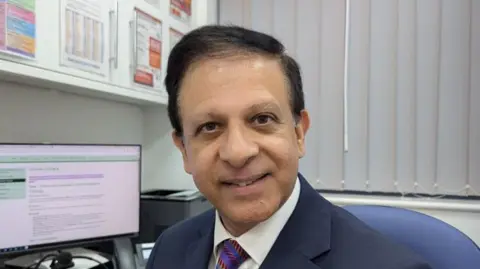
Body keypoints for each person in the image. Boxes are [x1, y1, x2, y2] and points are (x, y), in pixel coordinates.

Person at [145, 25, 432, 269]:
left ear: (298, 133)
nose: (238, 152)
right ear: (184, 150)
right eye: (210, 127)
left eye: (261, 119)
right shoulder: (168, 250)